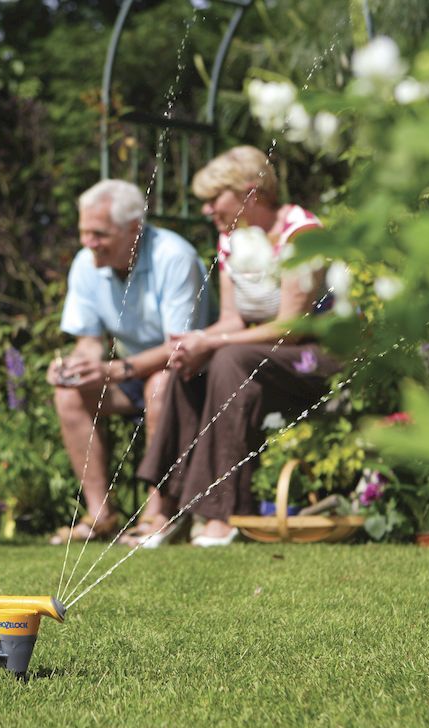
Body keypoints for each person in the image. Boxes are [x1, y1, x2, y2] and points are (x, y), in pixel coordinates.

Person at [136, 146, 342, 546]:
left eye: (214, 199)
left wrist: (215, 342)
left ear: (250, 192)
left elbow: (292, 326)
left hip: (315, 356)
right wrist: (198, 342)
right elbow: (232, 318)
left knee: (227, 357)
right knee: (190, 363)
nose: (208, 210)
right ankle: (166, 505)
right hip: (260, 354)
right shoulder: (231, 240)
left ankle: (222, 511)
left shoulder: (301, 233)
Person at [47, 179, 213, 544]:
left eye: (99, 233)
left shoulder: (174, 257)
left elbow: (179, 349)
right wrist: (76, 367)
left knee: (160, 385)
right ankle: (100, 515)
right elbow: (89, 340)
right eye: (84, 232)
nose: (88, 242)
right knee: (68, 394)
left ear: (133, 230)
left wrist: (114, 370)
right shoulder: (85, 264)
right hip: (132, 375)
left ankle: (159, 514)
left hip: (193, 374)